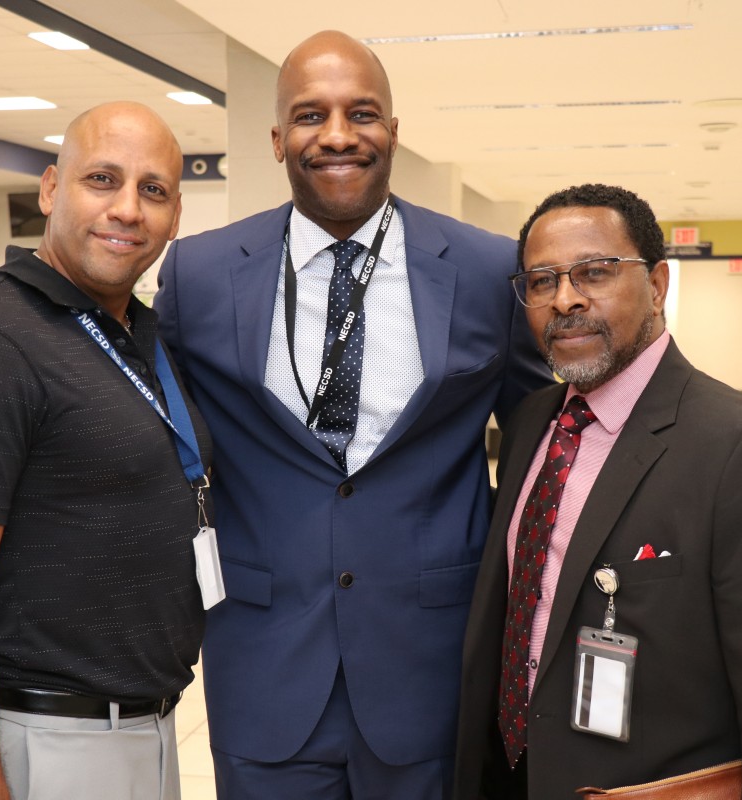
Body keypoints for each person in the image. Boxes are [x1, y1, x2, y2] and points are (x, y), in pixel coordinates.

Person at [153, 30, 551, 800]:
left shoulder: (481, 268)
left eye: (361, 113)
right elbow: (164, 444)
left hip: (429, 666)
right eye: (310, 116)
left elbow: (542, 440)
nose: (337, 135)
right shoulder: (199, 274)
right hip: (266, 666)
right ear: (277, 139)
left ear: (394, 131)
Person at [453, 184, 742, 799]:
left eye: (594, 273)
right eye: (541, 281)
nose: (565, 300)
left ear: (659, 285)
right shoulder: (532, 422)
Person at [0, 101, 209, 800]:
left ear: (175, 216)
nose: (127, 209)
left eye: (152, 190)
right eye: (102, 179)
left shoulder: (133, 333)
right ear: (51, 189)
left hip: (139, 735)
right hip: (39, 748)